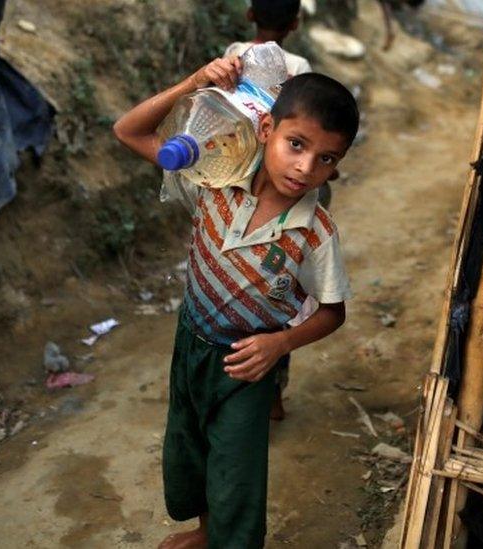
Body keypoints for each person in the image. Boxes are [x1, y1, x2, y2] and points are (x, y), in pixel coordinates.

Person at [113, 62, 359, 548]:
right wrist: (192, 85)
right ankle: (206, 533)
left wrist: (281, 343)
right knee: (189, 448)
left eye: (327, 159)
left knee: (236, 474)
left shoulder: (315, 232)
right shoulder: (216, 171)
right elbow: (128, 130)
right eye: (296, 144)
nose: (306, 168)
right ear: (266, 129)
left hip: (246, 365)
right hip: (190, 343)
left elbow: (333, 311)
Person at [224, 0, 333, 420]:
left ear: (250, 15)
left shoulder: (234, 53)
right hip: (283, 192)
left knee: (240, 283)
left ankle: (235, 369)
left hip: (240, 179)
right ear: (296, 22)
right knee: (283, 291)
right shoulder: (298, 64)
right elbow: (304, 125)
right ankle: (272, 389)